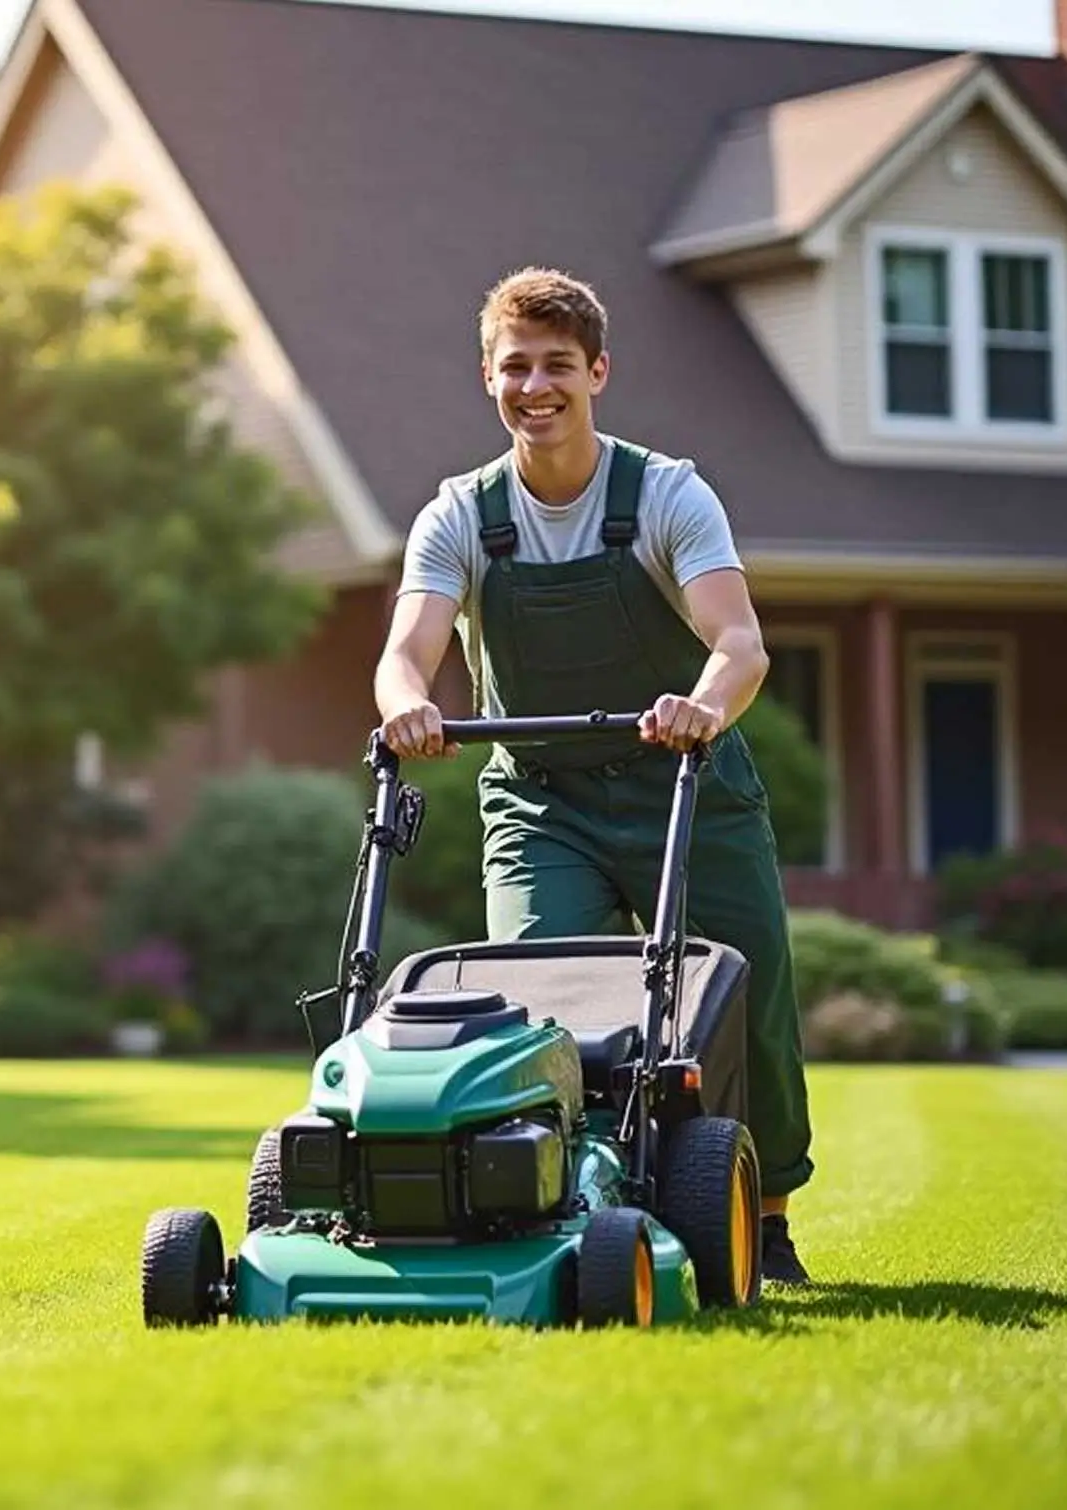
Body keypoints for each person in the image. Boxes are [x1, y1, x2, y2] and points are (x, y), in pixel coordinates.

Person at [372, 265, 814, 1285]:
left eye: (558, 365)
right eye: (515, 365)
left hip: (685, 782)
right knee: (535, 1000)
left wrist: (704, 705)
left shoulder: (666, 492)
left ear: (598, 371)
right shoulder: (459, 515)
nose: (537, 386)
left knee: (744, 999)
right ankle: (562, 1203)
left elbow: (738, 641)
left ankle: (769, 1213)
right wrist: (406, 702)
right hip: (540, 799)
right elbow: (408, 651)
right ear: (487, 376)